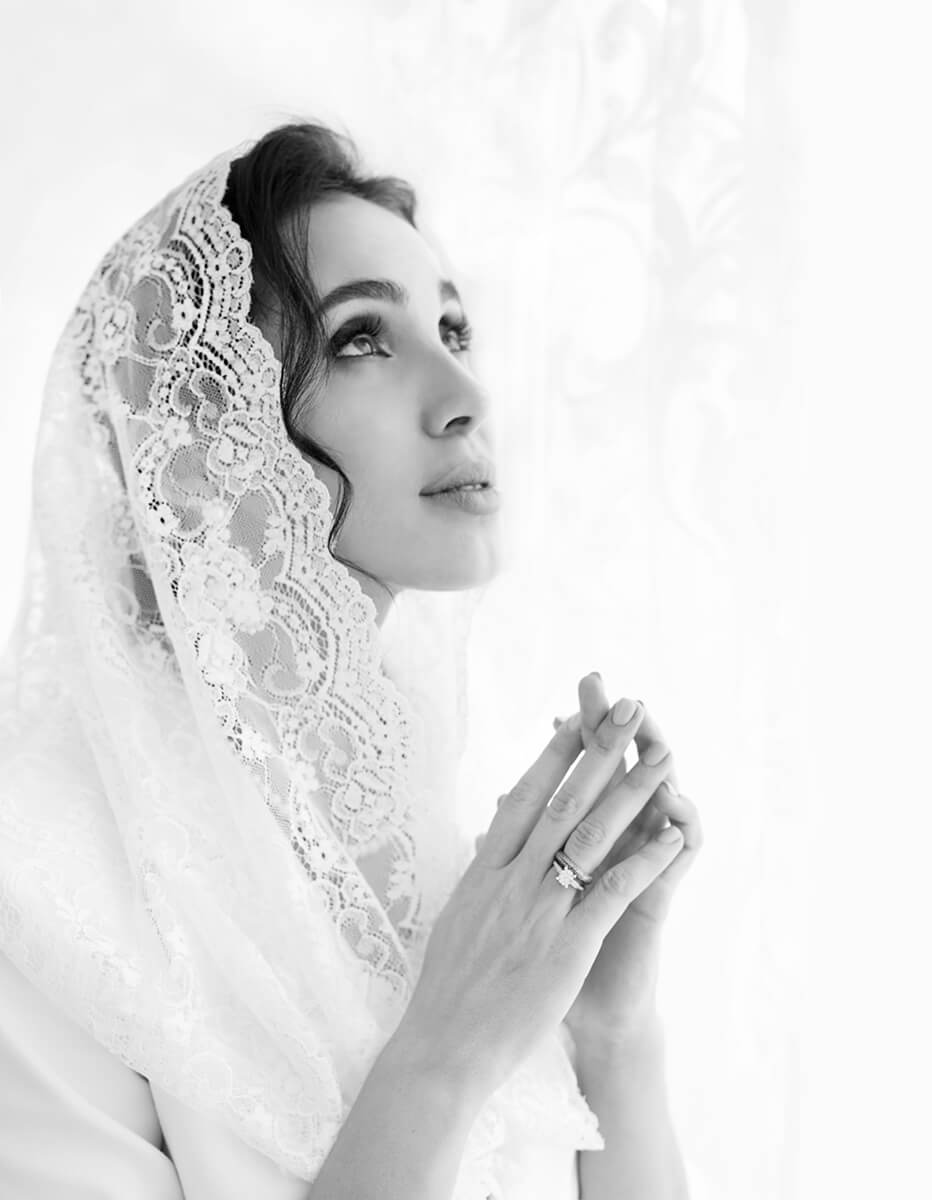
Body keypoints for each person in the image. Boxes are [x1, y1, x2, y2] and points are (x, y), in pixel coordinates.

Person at [0, 120, 702, 1199]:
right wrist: (441, 1055)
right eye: (362, 338)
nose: (464, 394)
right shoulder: (38, 880)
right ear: (199, 424)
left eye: (454, 328)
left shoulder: (434, 862)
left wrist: (612, 1035)